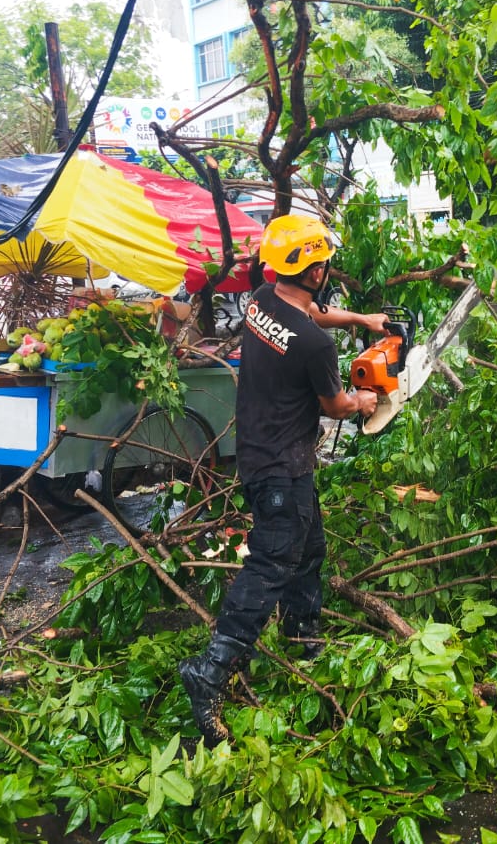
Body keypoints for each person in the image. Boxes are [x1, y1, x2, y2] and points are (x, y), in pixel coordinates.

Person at [179, 213, 384, 747]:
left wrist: (363, 319)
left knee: (308, 546)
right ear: (314, 269)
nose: (326, 270)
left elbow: (312, 313)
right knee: (272, 561)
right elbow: (336, 405)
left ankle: (302, 638)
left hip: (260, 449)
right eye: (323, 263)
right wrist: (363, 399)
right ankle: (212, 669)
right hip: (281, 464)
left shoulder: (262, 303)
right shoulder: (315, 347)